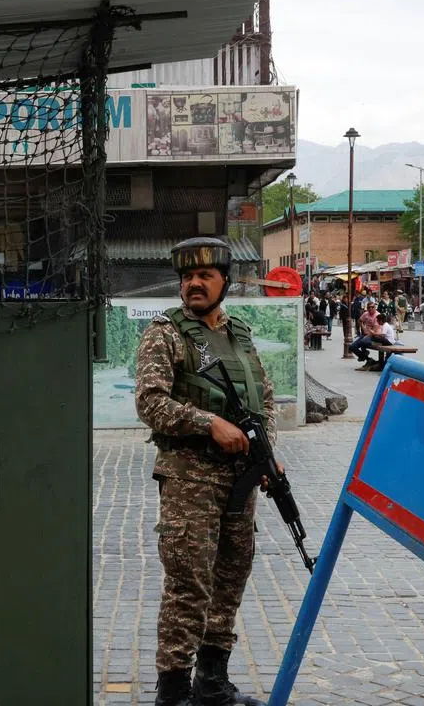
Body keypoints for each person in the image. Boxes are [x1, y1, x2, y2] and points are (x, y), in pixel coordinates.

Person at [135, 237, 274, 706]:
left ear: (224, 282)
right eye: (187, 278)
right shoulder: (165, 333)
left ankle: (212, 683)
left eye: (204, 276)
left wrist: (266, 458)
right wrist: (209, 423)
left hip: (240, 482)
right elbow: (150, 401)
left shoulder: (240, 336)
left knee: (231, 577)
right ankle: (173, 693)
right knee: (188, 584)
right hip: (190, 479)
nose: (193, 284)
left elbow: (263, 399)